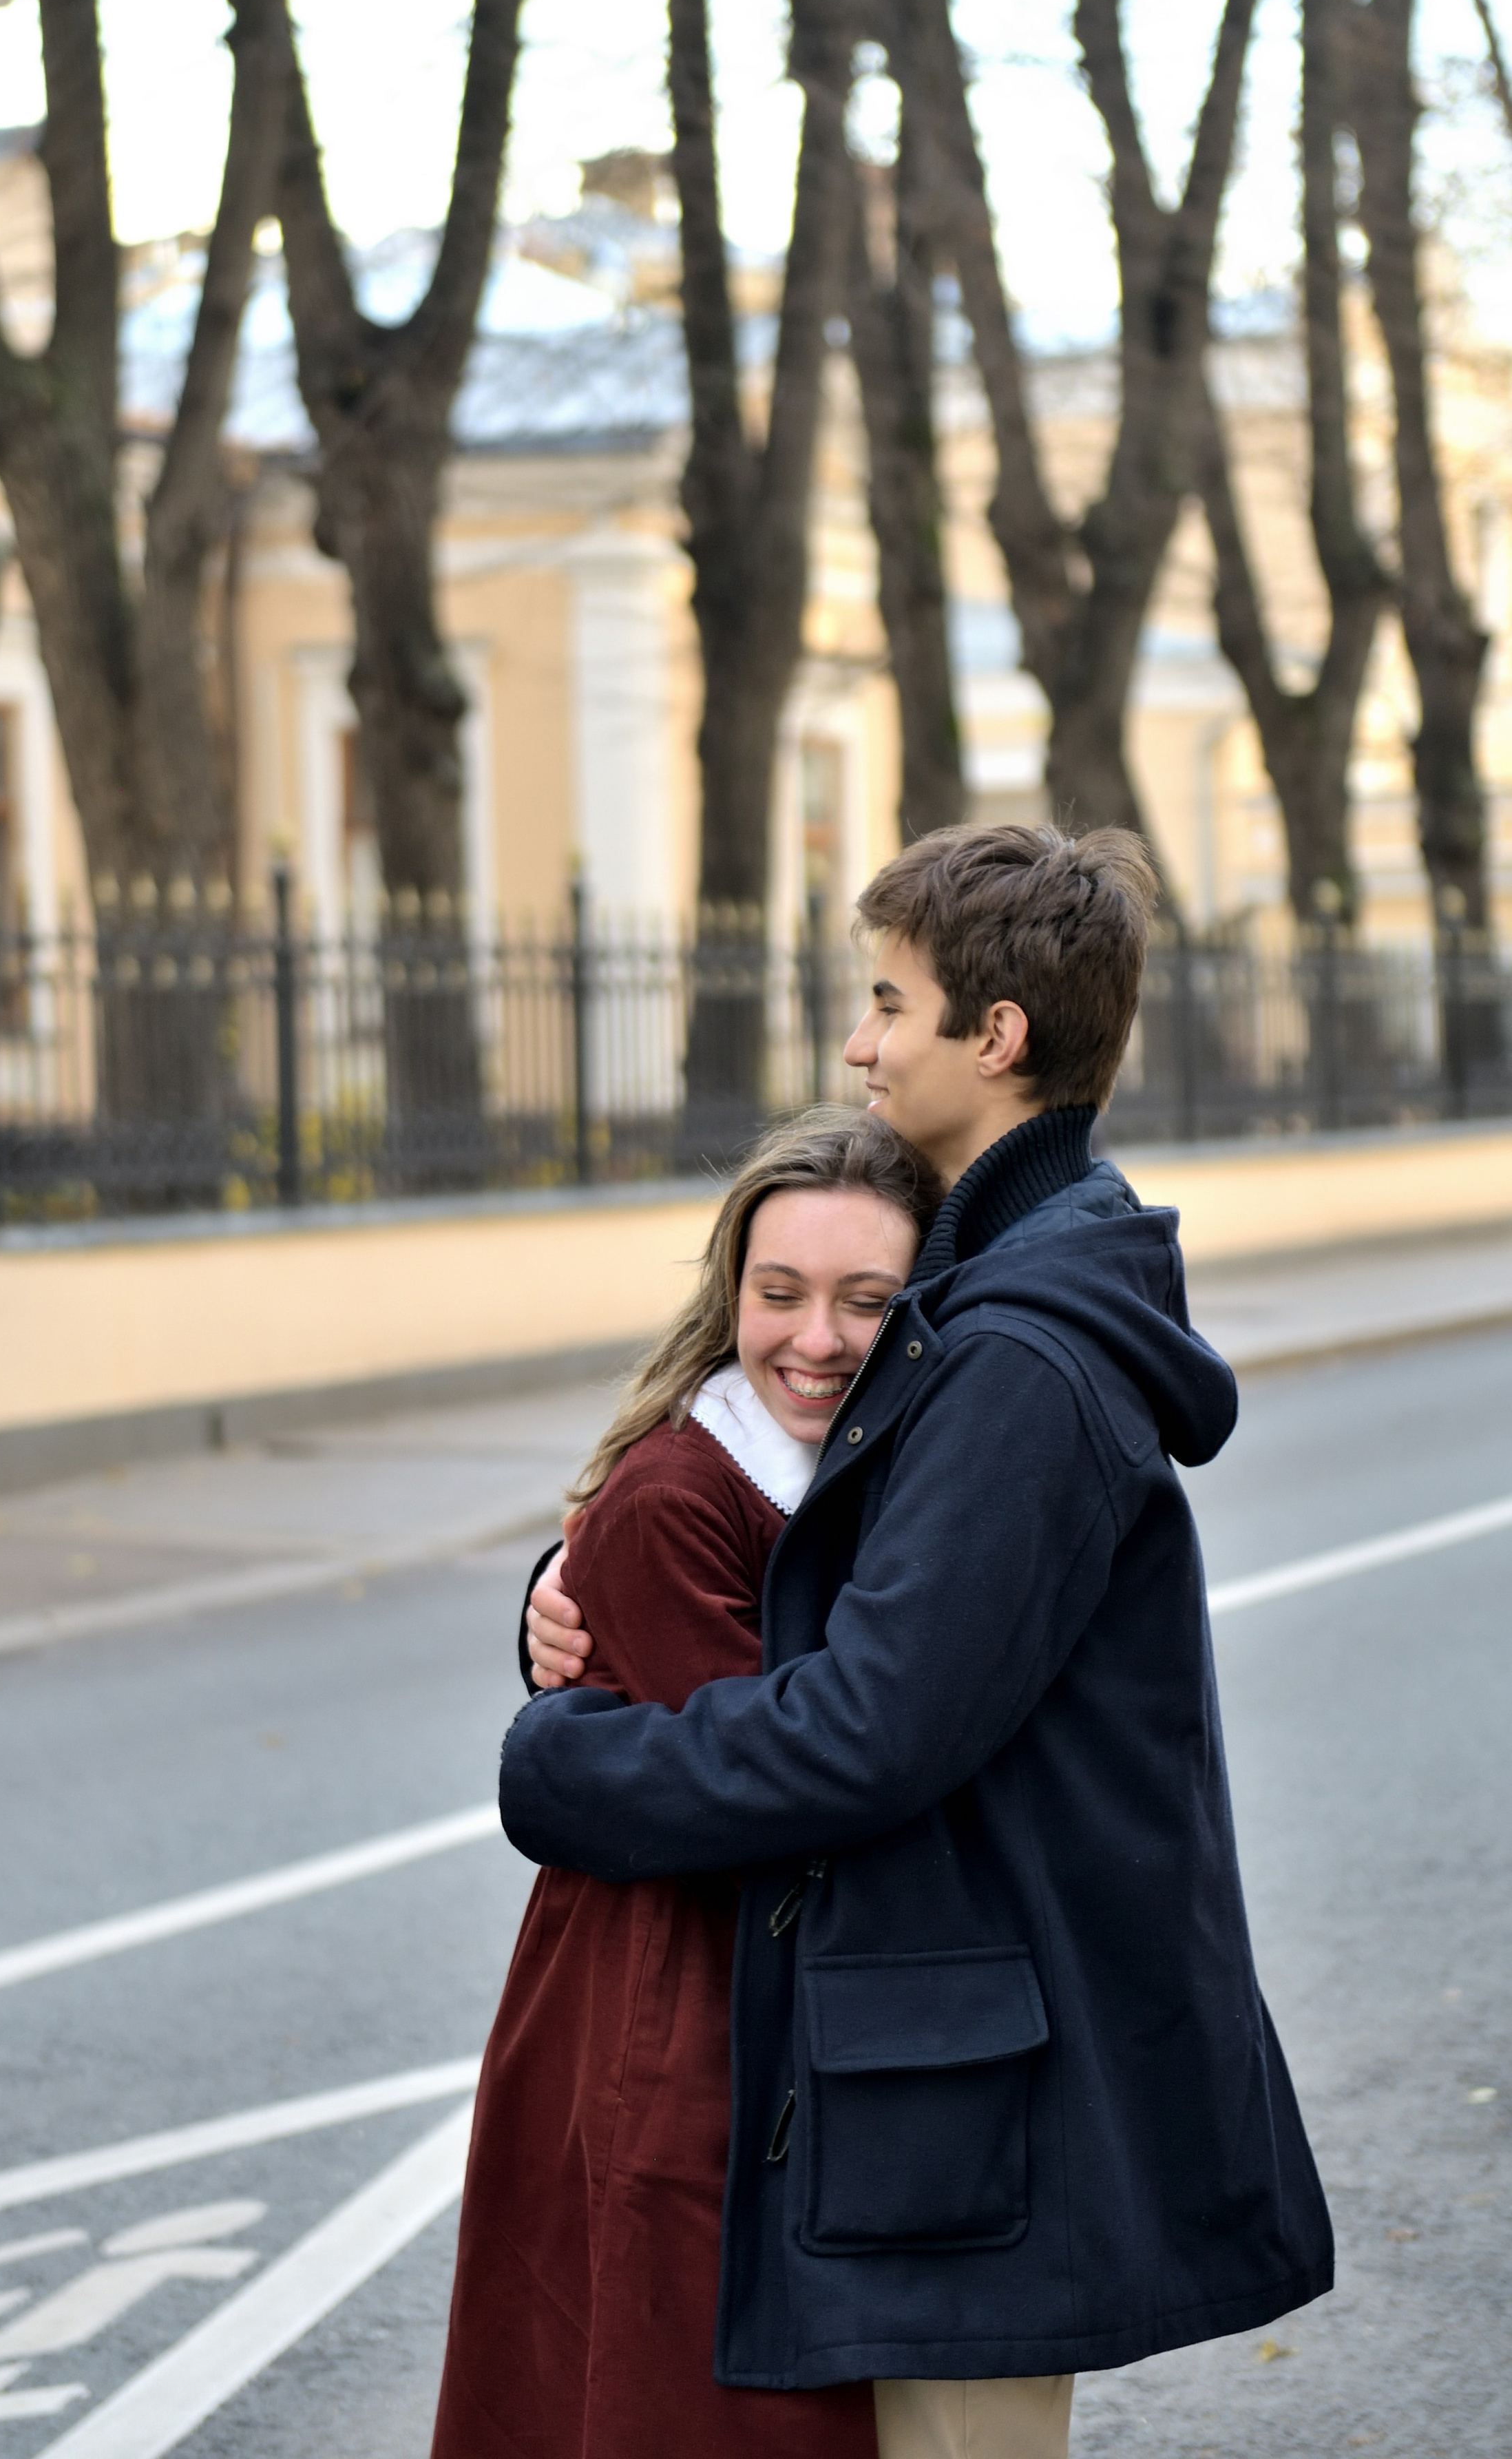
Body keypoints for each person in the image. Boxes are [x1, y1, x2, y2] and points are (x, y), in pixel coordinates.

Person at [509, 824, 1333, 2459]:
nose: (858, 1043)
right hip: (950, 2053)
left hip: (975, 2082)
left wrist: (570, 1765)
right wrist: (572, 1592)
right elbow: (824, 1562)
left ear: (996, 1036)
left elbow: (870, 1723)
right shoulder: (989, 1291)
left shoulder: (1016, 1360)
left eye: (888, 1003)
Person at [430, 1110, 940, 2459]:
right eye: (779, 1294)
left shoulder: (859, 1467)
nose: (816, 1339)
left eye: (866, 1301)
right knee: (685, 2401)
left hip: (753, 1999)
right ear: (729, 1296)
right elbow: (797, 1781)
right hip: (674, 2020)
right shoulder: (678, 1494)